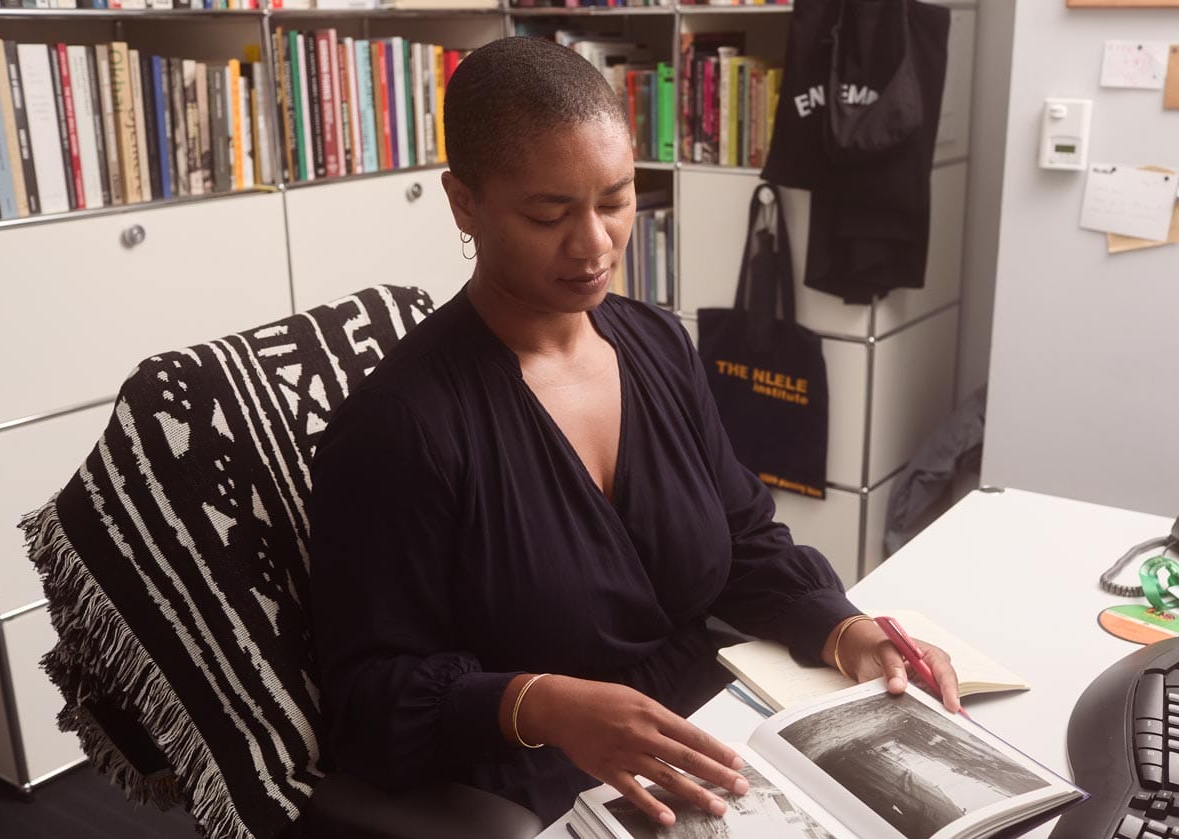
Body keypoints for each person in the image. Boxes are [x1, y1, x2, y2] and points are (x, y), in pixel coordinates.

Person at [309, 35, 960, 827]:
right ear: (464, 202)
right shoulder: (402, 427)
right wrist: (538, 704)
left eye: (615, 200)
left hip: (720, 734)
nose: (594, 244)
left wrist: (842, 626)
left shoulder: (652, 342)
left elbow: (743, 539)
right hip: (543, 781)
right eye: (549, 213)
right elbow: (368, 702)